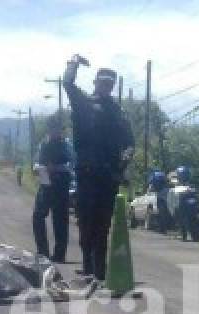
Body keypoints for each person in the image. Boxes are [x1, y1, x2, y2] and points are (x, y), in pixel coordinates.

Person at [63, 55, 134, 280]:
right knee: (86, 221)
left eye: (109, 83)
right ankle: (88, 265)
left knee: (103, 224)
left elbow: (130, 144)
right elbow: (67, 83)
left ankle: (100, 270)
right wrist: (73, 63)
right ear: (96, 82)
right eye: (103, 82)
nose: (106, 86)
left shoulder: (118, 113)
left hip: (108, 176)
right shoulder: (83, 103)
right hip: (86, 173)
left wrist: (122, 165)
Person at [32, 114, 73, 262]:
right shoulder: (43, 144)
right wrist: (38, 168)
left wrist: (55, 167)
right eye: (51, 128)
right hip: (45, 183)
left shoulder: (66, 145)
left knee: (60, 219)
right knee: (37, 216)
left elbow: (71, 165)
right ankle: (43, 251)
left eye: (56, 128)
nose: (54, 131)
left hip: (61, 183)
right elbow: (36, 161)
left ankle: (59, 254)